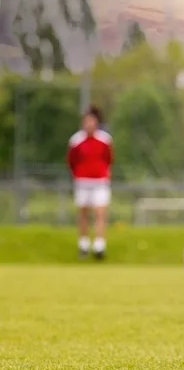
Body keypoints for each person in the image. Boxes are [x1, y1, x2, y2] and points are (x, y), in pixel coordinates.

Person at [67, 105, 113, 260]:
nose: (89, 124)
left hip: (100, 182)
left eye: (92, 121)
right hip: (82, 182)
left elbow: (109, 159)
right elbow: (71, 161)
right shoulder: (76, 140)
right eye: (86, 121)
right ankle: (84, 245)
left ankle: (99, 246)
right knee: (83, 214)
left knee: (100, 213)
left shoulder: (105, 140)